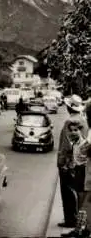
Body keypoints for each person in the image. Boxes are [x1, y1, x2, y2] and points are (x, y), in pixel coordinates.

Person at [58, 95, 89, 230]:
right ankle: (79, 220)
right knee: (79, 192)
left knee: (67, 191)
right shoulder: (84, 120)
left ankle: (70, 219)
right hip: (82, 160)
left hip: (70, 162)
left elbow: (66, 145)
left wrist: (61, 161)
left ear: (69, 107)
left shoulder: (69, 122)